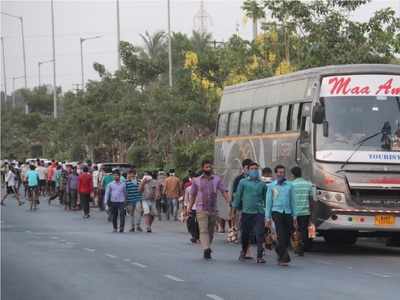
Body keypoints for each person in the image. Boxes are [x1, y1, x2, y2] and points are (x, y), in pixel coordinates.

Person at [188, 160, 230, 260]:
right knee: (203, 230)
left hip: (213, 210)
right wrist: (189, 208)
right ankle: (206, 249)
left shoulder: (217, 179)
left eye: (210, 167)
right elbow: (193, 195)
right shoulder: (196, 180)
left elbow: (224, 191)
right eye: (207, 167)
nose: (209, 169)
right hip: (201, 209)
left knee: (211, 231)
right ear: (203, 168)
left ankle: (207, 246)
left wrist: (229, 201)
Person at [232, 162, 267, 263]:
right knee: (245, 234)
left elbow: (265, 199)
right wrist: (234, 210)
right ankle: (243, 251)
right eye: (252, 168)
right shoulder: (243, 182)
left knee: (260, 234)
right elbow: (238, 196)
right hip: (246, 212)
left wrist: (267, 213)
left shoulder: (262, 184)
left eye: (256, 169)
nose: (254, 170)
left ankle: (259, 256)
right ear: (248, 170)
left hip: (259, 212)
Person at [265, 165, 297, 266]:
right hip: (276, 212)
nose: (280, 174)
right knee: (280, 234)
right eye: (279, 172)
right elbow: (268, 202)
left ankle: (279, 249)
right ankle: (284, 258)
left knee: (287, 235)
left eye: (282, 172)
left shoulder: (290, 185)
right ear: (276, 173)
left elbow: (293, 201)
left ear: (284, 173)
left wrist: (295, 216)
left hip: (287, 212)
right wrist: (267, 217)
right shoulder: (271, 186)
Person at [290, 166, 314, 255]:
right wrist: (312, 212)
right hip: (306, 212)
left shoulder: (291, 185)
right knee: (305, 229)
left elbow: (290, 199)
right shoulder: (308, 184)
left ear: (293, 175)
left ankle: (298, 246)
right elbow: (311, 200)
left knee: (295, 230)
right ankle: (305, 246)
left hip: (295, 212)